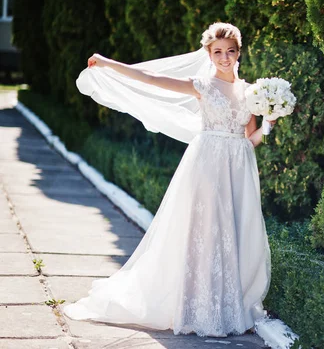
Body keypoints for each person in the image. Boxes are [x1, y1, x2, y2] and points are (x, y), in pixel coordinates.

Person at [64, 23, 274, 337]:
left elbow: (249, 138)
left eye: (230, 51)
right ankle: (192, 307)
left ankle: (225, 306)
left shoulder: (250, 92)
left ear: (239, 52)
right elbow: (151, 80)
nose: (225, 57)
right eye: (218, 52)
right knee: (203, 233)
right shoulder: (201, 85)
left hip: (237, 169)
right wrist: (108, 63)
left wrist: (270, 123)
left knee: (230, 234)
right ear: (209, 54)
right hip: (206, 166)